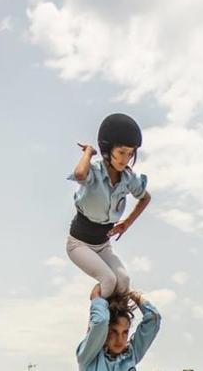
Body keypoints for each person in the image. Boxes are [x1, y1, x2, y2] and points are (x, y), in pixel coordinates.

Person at [66, 113, 152, 298]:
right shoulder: (95, 172)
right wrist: (89, 152)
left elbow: (145, 198)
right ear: (107, 149)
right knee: (109, 279)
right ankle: (98, 321)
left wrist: (127, 223)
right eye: (121, 152)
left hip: (103, 245)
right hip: (79, 244)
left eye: (130, 154)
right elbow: (80, 174)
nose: (125, 159)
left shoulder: (129, 179)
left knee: (123, 280)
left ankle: (115, 324)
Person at [77, 283, 161, 371]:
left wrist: (131, 292)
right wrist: (96, 298)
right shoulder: (89, 355)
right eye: (114, 332)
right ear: (105, 331)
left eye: (125, 332)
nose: (120, 339)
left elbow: (153, 319)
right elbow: (101, 321)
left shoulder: (130, 355)